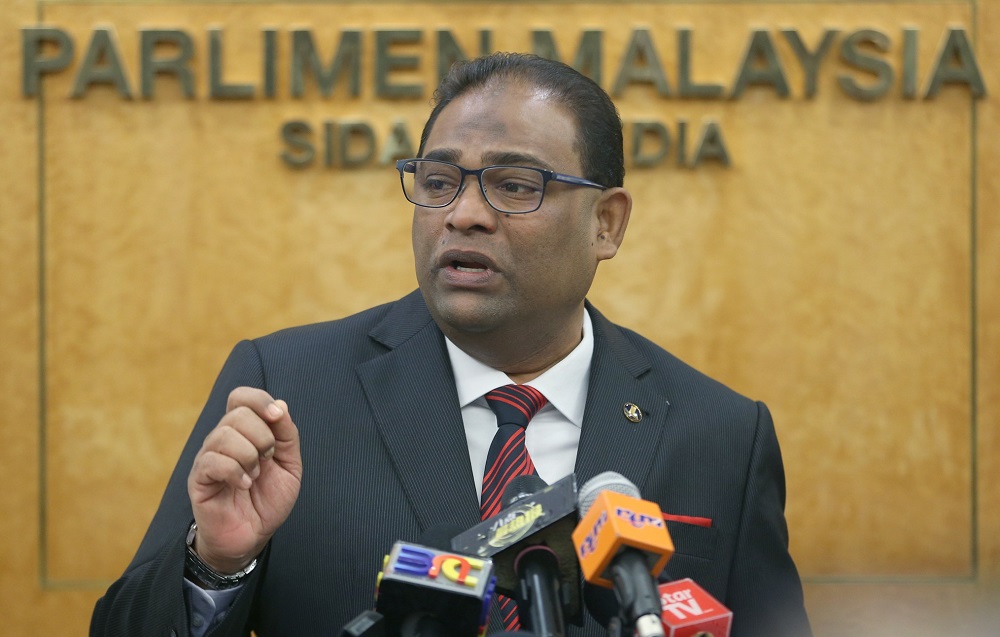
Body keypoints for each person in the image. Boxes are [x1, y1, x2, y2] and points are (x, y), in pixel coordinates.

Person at [90, 52, 811, 637]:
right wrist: (216, 566)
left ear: (607, 224)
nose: (463, 214)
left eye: (514, 185)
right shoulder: (287, 392)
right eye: (439, 181)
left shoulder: (721, 432)